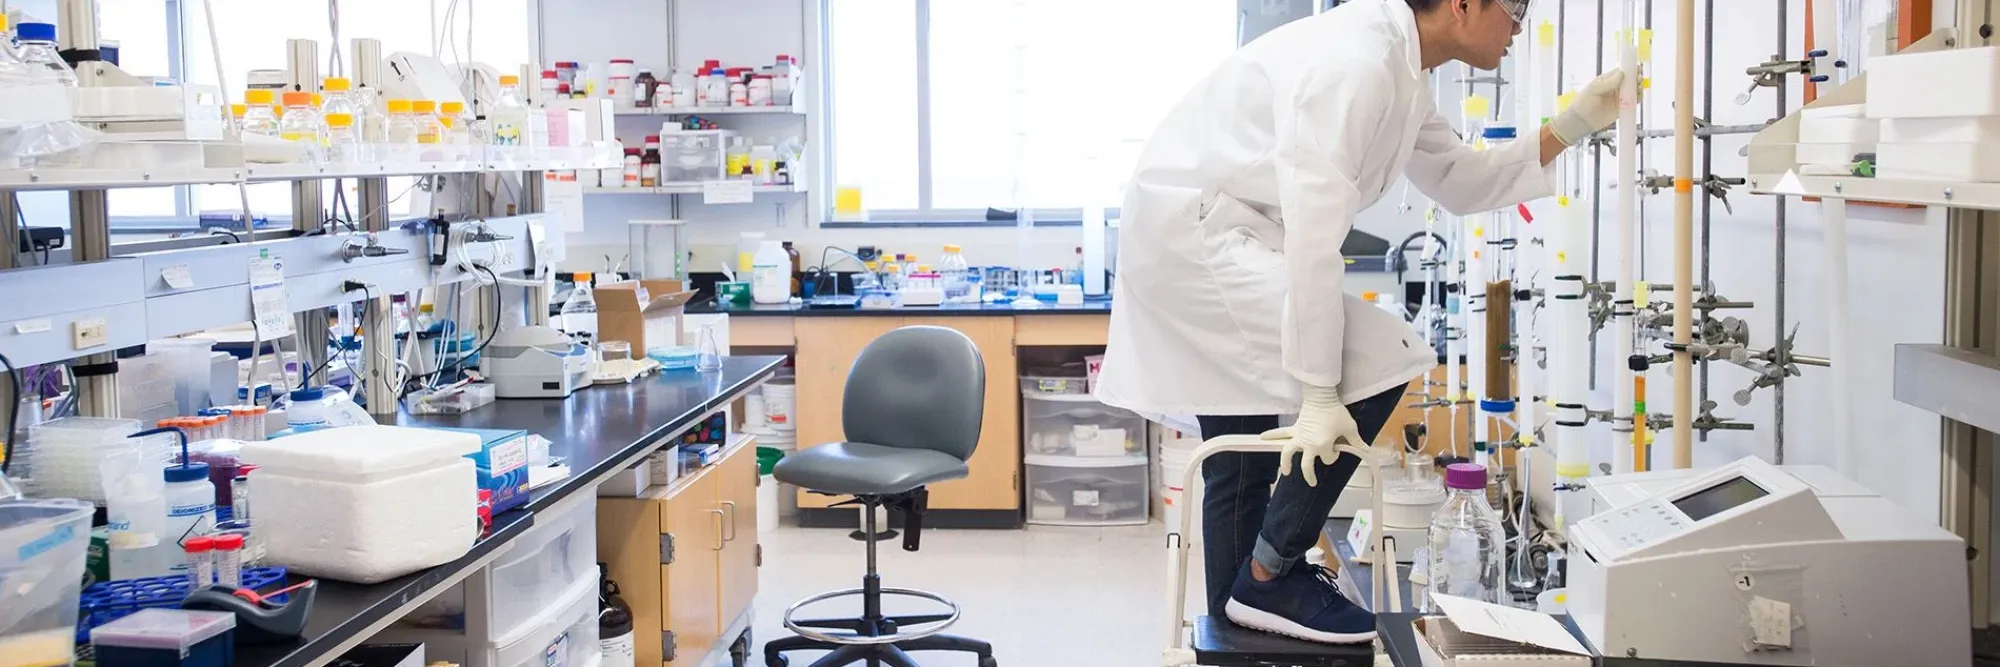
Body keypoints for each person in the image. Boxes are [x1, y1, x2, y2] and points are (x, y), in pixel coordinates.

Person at [1093, 0, 1624, 645]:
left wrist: (1569, 125)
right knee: (1383, 355)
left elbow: (1457, 180)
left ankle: (1241, 627)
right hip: (1200, 241)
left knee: (1241, 456)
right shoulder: (1362, 60)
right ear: (1460, 6)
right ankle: (1269, 576)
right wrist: (1319, 391)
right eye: (1515, 8)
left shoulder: (1401, 66)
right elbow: (1316, 234)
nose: (1520, 25)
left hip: (1221, 237)